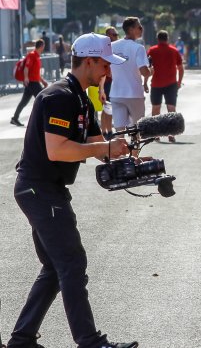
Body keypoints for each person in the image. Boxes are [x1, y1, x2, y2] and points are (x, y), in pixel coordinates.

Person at [6, 32, 137, 348]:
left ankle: (22, 339)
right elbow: (58, 150)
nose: (108, 71)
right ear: (89, 61)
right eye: (105, 64)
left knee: (55, 268)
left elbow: (97, 145)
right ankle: (89, 342)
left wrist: (132, 157)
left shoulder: (81, 99)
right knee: (72, 264)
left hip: (46, 190)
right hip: (38, 190)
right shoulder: (59, 96)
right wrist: (103, 148)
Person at [109, 17, 151, 130]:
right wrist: (150, 71)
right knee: (138, 129)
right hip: (134, 94)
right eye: (139, 27)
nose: (142, 29)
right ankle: (135, 142)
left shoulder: (112, 46)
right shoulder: (138, 48)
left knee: (119, 130)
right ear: (131, 29)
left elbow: (106, 69)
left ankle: (121, 142)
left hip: (116, 94)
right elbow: (144, 72)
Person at [147, 30, 184, 142]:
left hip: (156, 83)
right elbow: (180, 68)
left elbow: (147, 67)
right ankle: (171, 133)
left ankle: (156, 133)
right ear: (167, 38)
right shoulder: (174, 50)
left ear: (157, 39)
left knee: (156, 108)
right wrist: (179, 82)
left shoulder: (152, 51)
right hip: (171, 84)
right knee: (171, 109)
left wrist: (145, 82)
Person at [11, 39, 49, 127]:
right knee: (42, 99)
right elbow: (26, 68)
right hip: (32, 82)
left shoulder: (37, 56)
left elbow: (36, 72)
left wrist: (43, 81)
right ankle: (44, 120)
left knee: (24, 102)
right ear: (41, 46)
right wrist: (26, 78)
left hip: (33, 82)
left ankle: (15, 118)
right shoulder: (32, 55)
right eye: (43, 46)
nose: (44, 48)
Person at [98, 27, 119, 138]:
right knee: (108, 107)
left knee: (107, 108)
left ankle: (105, 131)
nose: (116, 37)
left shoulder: (115, 47)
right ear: (107, 36)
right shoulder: (105, 48)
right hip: (106, 81)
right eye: (114, 35)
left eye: (116, 35)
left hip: (112, 81)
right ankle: (107, 131)